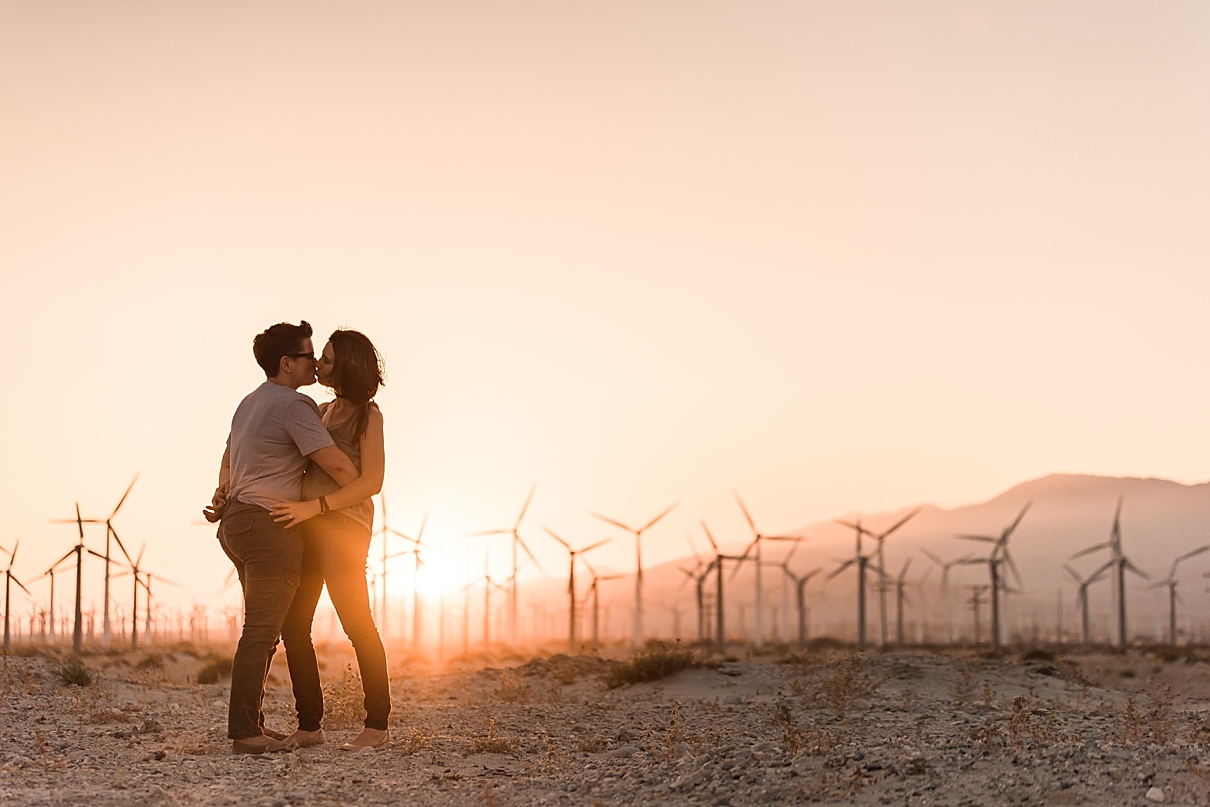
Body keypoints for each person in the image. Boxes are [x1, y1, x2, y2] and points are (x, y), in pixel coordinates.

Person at [203, 320, 361, 755]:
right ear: (287, 363)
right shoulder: (297, 405)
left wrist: (223, 493)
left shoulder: (248, 403)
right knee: (260, 632)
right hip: (270, 528)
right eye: (309, 356)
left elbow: (228, 459)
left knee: (266, 629)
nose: (315, 364)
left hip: (236, 523)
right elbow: (341, 469)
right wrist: (344, 490)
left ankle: (251, 724)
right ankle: (244, 735)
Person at [270, 329, 392, 751]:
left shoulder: (368, 416)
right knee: (294, 625)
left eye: (325, 358)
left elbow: (371, 482)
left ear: (348, 365)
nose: (318, 364)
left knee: (357, 624)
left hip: (343, 531)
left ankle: (376, 725)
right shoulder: (319, 410)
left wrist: (317, 507)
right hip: (307, 528)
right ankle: (310, 726)